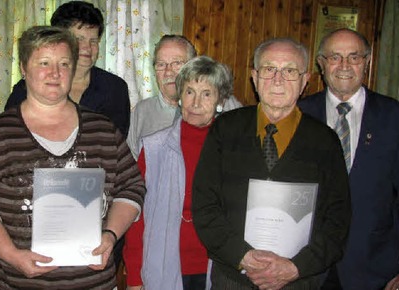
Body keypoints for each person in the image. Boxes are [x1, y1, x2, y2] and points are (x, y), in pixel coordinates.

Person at [0, 25, 145, 289]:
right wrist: (12, 255)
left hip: (92, 283)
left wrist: (111, 235)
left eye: (64, 64)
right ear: (24, 68)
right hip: (13, 282)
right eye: (44, 63)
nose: (55, 73)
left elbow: (132, 187)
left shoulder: (103, 130)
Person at [192, 38, 351, 289]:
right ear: (255, 77)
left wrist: (296, 267)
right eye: (269, 69)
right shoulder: (225, 129)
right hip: (233, 278)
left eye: (289, 71)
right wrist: (243, 257)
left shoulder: (325, 141)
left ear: (304, 80)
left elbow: (338, 220)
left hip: (299, 281)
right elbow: (204, 205)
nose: (278, 80)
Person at [298, 28, 399, 290]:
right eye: (335, 57)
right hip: (308, 267)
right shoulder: (299, 115)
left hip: (375, 269)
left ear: (367, 62)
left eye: (354, 57)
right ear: (321, 63)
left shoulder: (397, 118)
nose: (344, 66)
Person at [123, 55, 233, 290]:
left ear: (220, 100)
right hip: (163, 265)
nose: (195, 103)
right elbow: (136, 215)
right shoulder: (153, 147)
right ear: (180, 96)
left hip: (219, 268)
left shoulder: (233, 148)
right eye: (189, 92)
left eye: (206, 94)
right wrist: (134, 275)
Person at [4, 1, 131, 136]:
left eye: (93, 41)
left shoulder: (114, 88)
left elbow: (115, 143)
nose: (87, 48)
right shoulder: (27, 89)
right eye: (79, 39)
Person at [127, 35, 242, 160]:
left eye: (177, 63)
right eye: (161, 64)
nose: (168, 72)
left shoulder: (225, 104)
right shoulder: (142, 111)